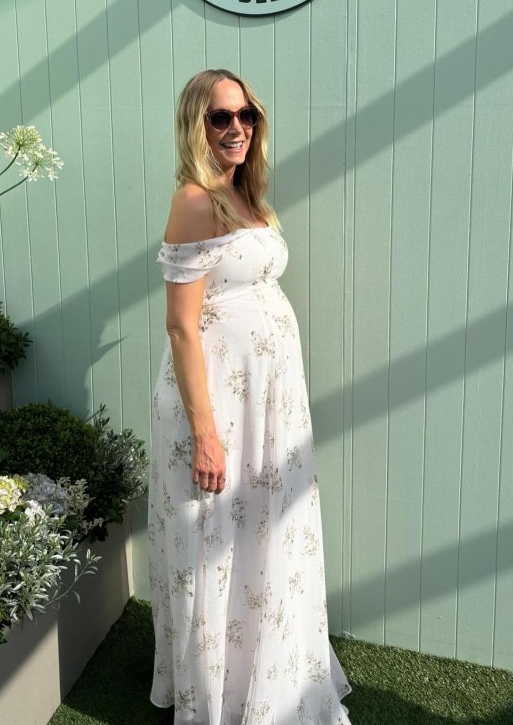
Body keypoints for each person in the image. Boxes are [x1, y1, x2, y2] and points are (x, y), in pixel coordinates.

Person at [148, 69, 351, 724]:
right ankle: (216, 694)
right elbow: (182, 325)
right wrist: (206, 433)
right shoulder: (194, 200)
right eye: (220, 118)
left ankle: (270, 674)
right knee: (214, 535)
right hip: (217, 408)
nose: (237, 128)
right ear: (195, 126)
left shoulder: (247, 195)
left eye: (246, 116)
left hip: (270, 405)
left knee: (267, 532)